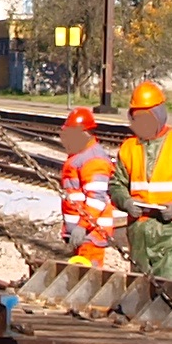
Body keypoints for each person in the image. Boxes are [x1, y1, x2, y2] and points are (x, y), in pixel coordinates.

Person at [109, 82, 172, 288]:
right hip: (140, 235)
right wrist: (126, 202)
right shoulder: (129, 148)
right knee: (141, 293)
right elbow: (116, 184)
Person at [55, 106, 117, 265]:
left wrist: (83, 226)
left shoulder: (93, 161)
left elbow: (96, 199)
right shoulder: (82, 155)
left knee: (88, 275)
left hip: (90, 235)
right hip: (82, 234)